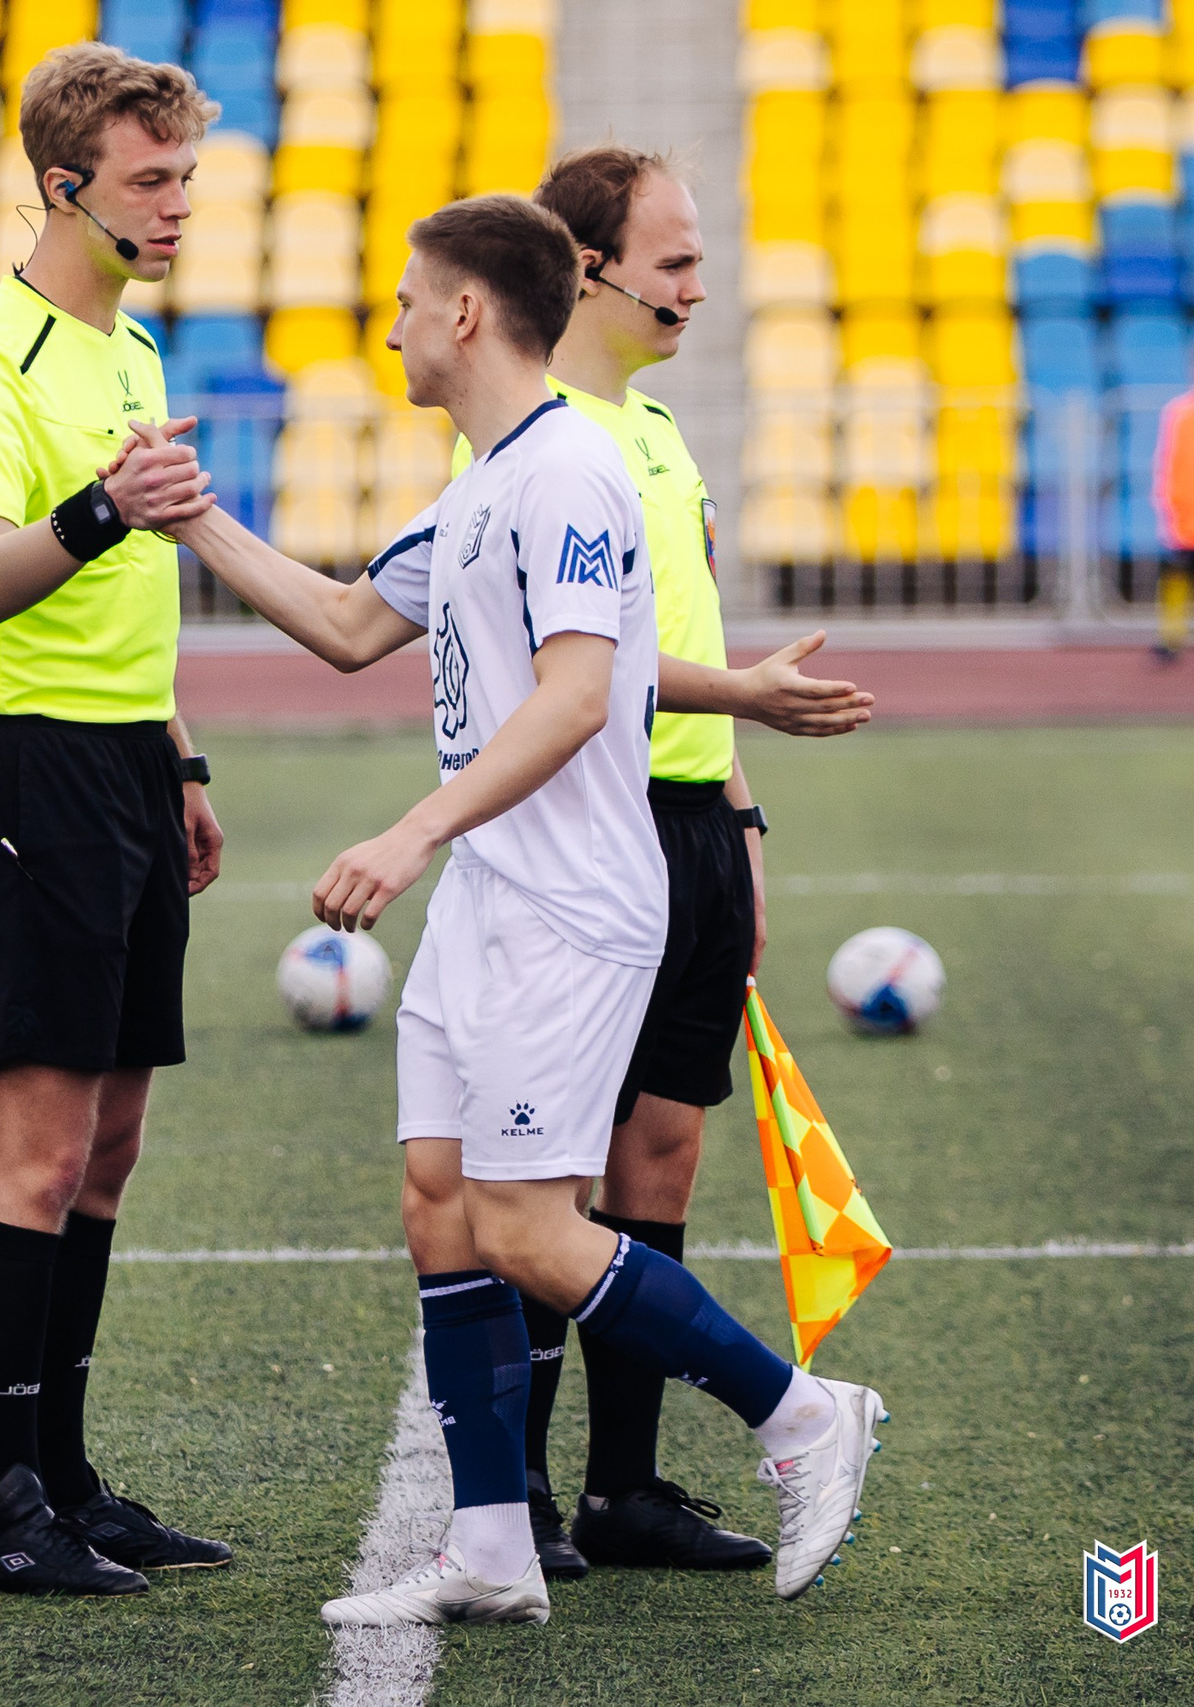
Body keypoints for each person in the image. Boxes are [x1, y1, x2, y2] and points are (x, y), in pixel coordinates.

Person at [132, 192, 885, 1626]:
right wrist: (193, 516)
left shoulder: (571, 472)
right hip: (491, 898)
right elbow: (349, 624)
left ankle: (803, 1414)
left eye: (408, 301)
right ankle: (488, 1543)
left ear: (466, 311)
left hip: (570, 904)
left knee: (532, 1228)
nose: (394, 328)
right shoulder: (484, 480)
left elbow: (579, 694)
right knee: (440, 1204)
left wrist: (413, 829)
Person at [486, 146, 876, 1580]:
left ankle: (624, 1489)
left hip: (695, 827)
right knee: (550, 1164)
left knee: (663, 1147)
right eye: (676, 261)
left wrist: (744, 824)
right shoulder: (534, 442)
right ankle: (517, 1491)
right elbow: (575, 668)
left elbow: (680, 633)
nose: (698, 287)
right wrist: (751, 698)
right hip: (595, 830)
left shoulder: (654, 430)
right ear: (587, 269)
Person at [0, 42, 230, 1599]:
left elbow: (128, 601)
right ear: (64, 185)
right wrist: (107, 505)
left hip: (122, 768)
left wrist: (180, 760)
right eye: (150, 180)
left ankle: (71, 1478)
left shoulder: (136, 348)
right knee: (36, 1152)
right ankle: (6, 1511)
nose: (178, 206)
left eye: (185, 178)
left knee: (107, 1148)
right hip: (24, 772)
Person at [1151, 373, 1194, 660]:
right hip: (1184, 511)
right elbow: (1167, 459)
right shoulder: (1178, 411)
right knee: (1176, 572)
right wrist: (1165, 498)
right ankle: (1171, 637)